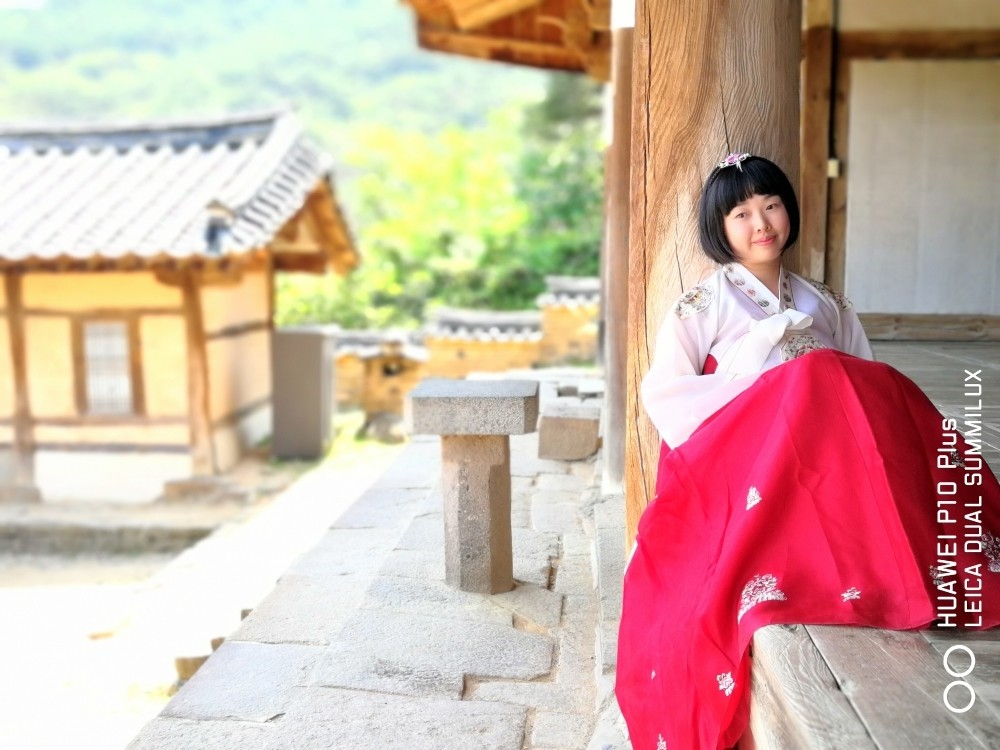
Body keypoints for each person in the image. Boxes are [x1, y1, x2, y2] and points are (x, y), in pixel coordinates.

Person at [616, 153, 1000, 750]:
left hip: (827, 450)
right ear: (719, 228)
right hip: (750, 450)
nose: (760, 223)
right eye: (741, 214)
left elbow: (862, 383)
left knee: (877, 385)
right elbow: (666, 394)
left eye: (770, 205)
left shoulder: (826, 302)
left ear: (788, 209)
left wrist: (817, 380)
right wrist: (764, 382)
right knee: (816, 373)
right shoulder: (704, 303)